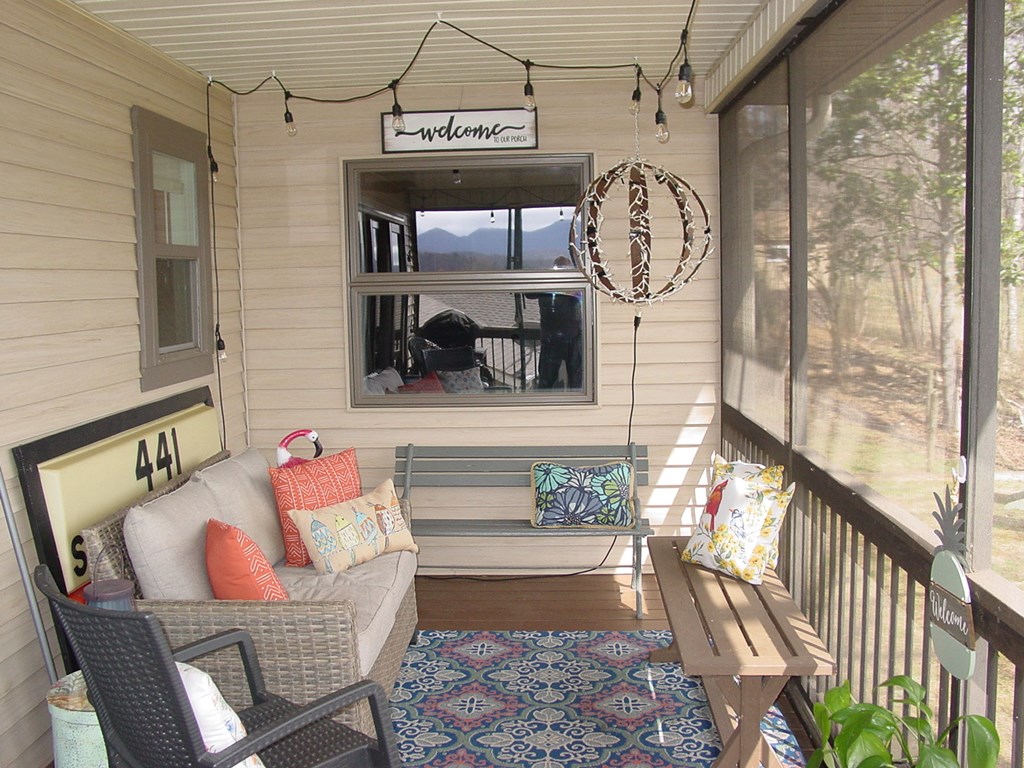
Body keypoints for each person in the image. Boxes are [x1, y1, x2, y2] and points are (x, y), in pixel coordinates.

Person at [528, 256, 584, 389]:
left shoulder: (575, 286)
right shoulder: (547, 285)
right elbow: (528, 293)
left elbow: (585, 295)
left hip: (571, 338)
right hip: (552, 338)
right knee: (546, 381)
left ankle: (577, 402)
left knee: (576, 381)